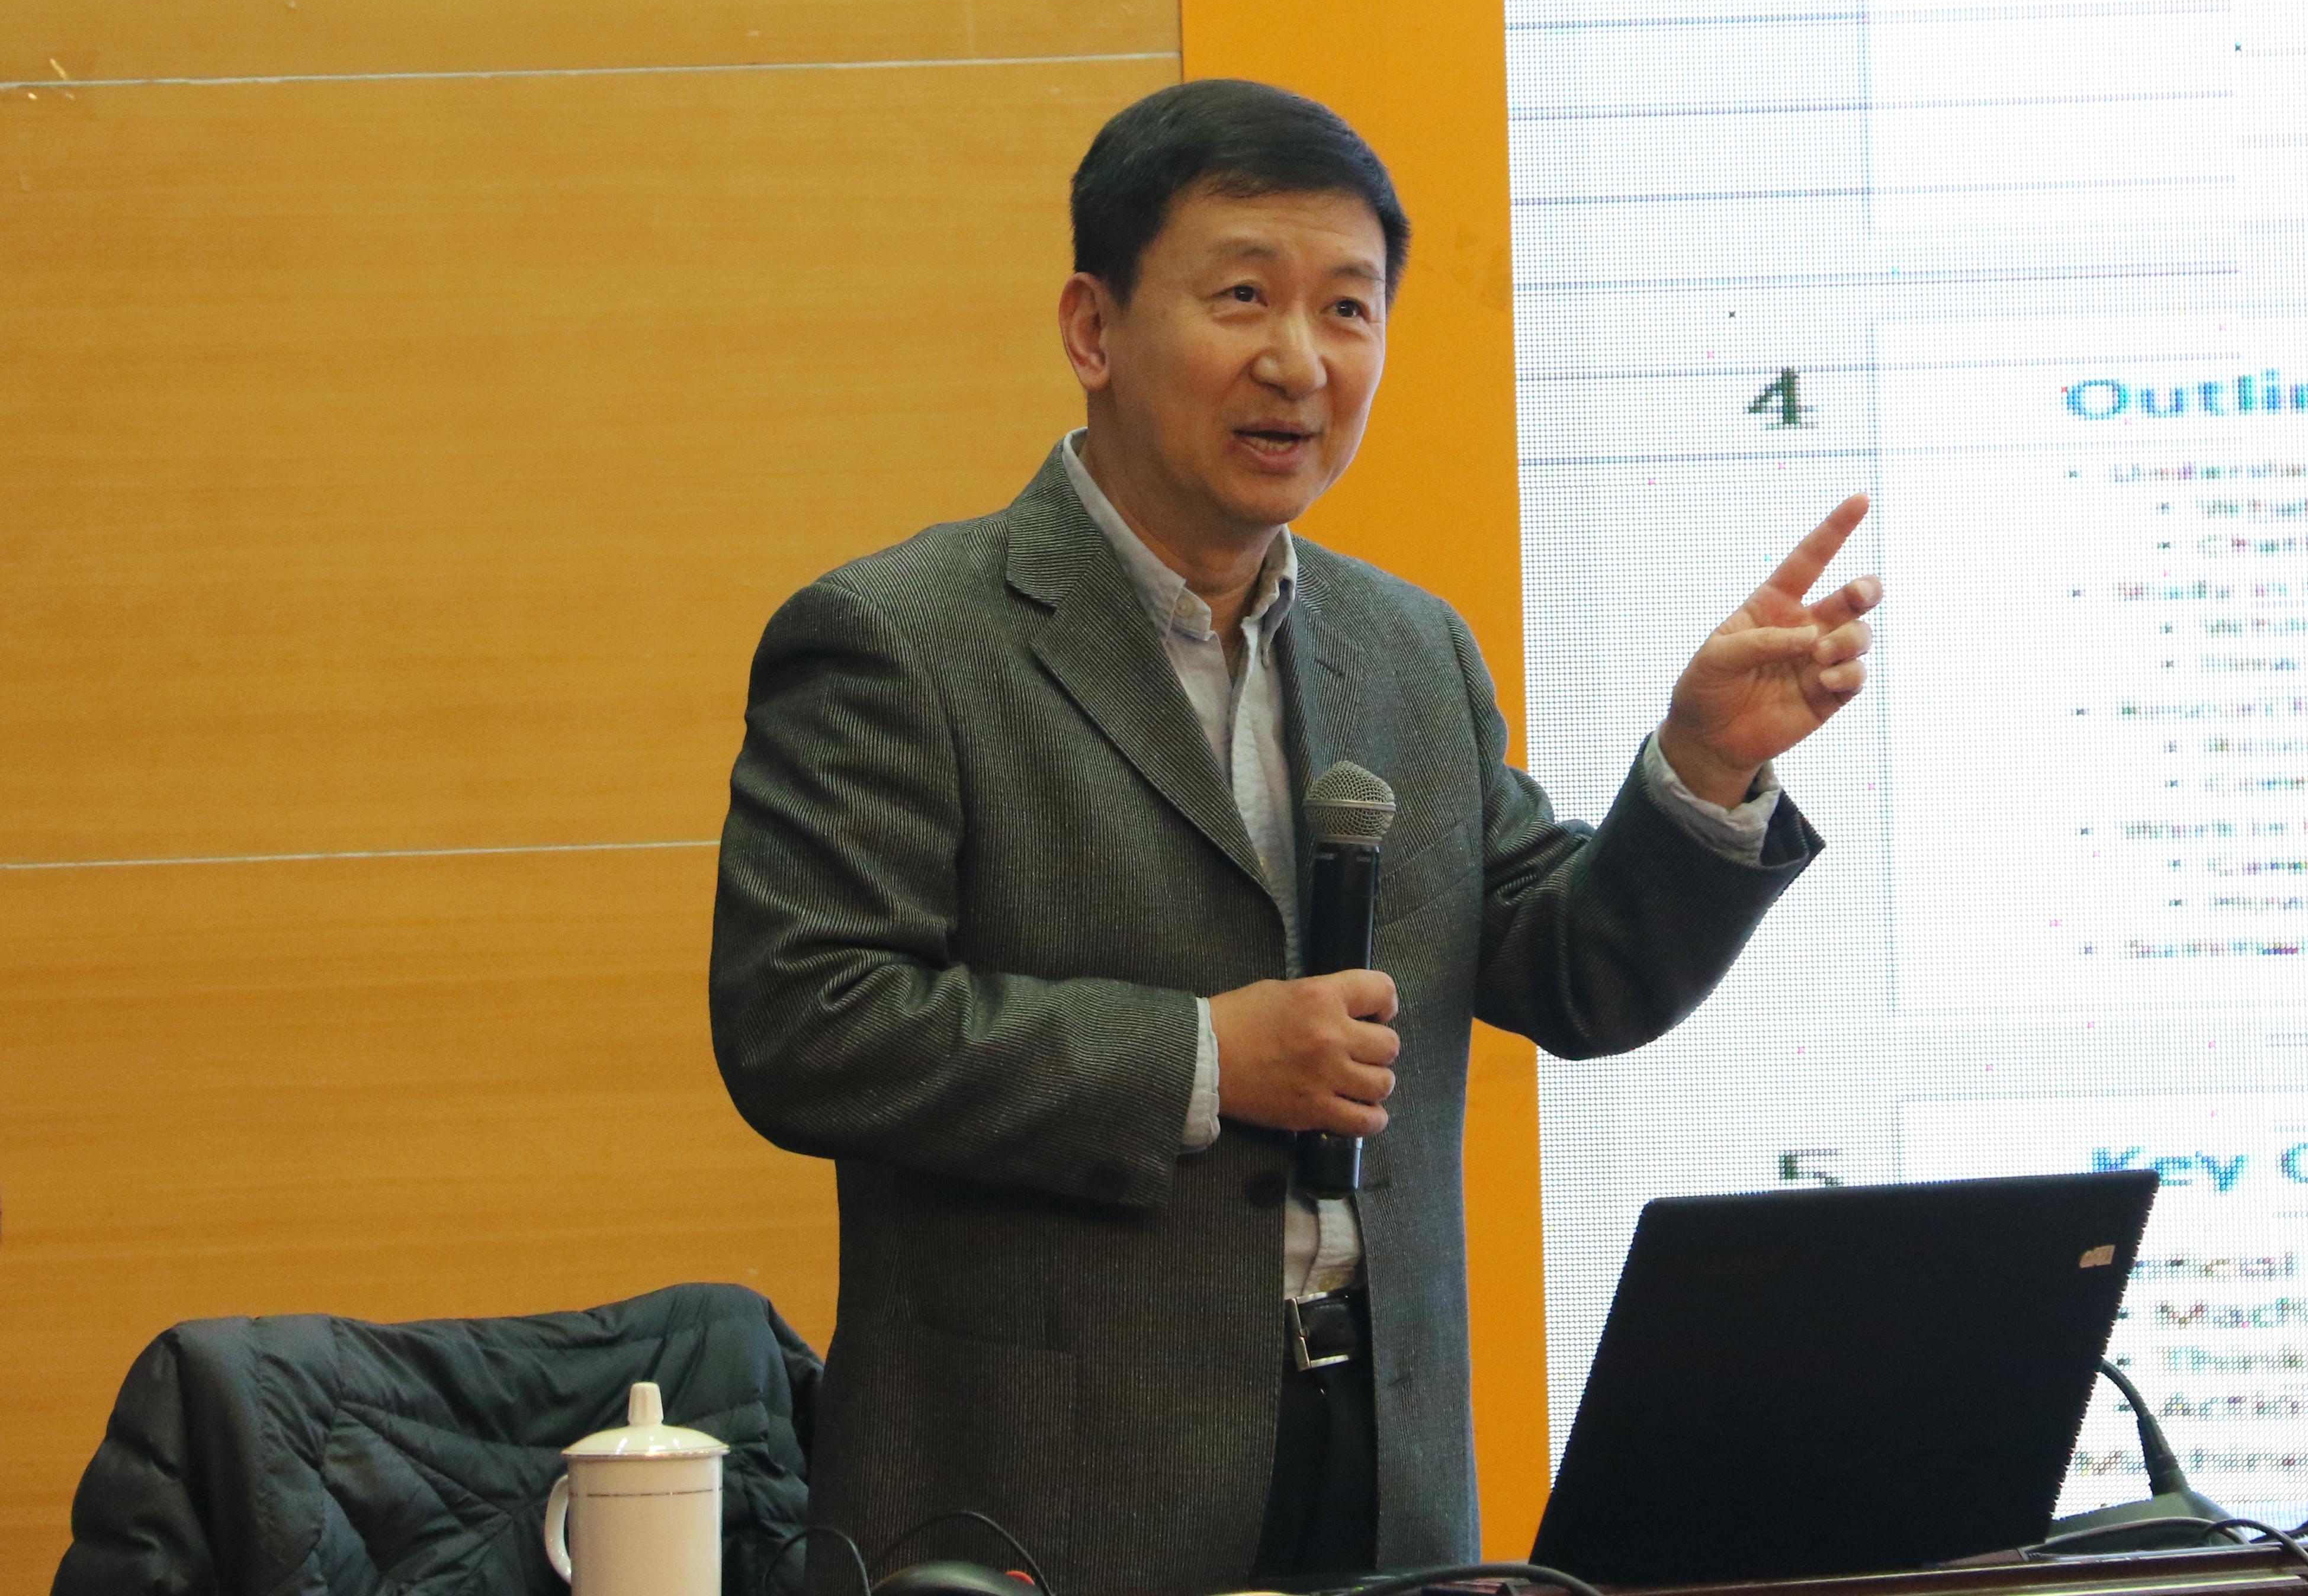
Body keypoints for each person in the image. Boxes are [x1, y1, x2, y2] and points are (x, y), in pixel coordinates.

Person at [709, 79, 1880, 1596]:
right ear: (1093, 328)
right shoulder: (902, 641)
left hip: (1381, 1468)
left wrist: (1707, 767)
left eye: (1348, 309)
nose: (1300, 361)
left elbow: (1575, 974)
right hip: (1052, 1491)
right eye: (1244, 296)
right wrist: (1202, 1058)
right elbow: (807, 1024)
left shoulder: (1409, 649)